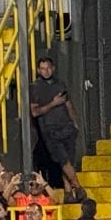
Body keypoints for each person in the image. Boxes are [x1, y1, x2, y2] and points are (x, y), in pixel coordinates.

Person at [27, 57, 83, 199]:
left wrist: (74, 123)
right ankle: (79, 188)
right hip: (50, 131)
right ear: (39, 70)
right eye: (43, 68)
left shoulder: (60, 84)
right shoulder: (35, 87)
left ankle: (68, 193)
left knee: (68, 161)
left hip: (67, 127)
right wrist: (53, 103)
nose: (46, 71)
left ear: (53, 68)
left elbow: (68, 104)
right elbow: (35, 112)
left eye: (48, 68)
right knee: (63, 161)